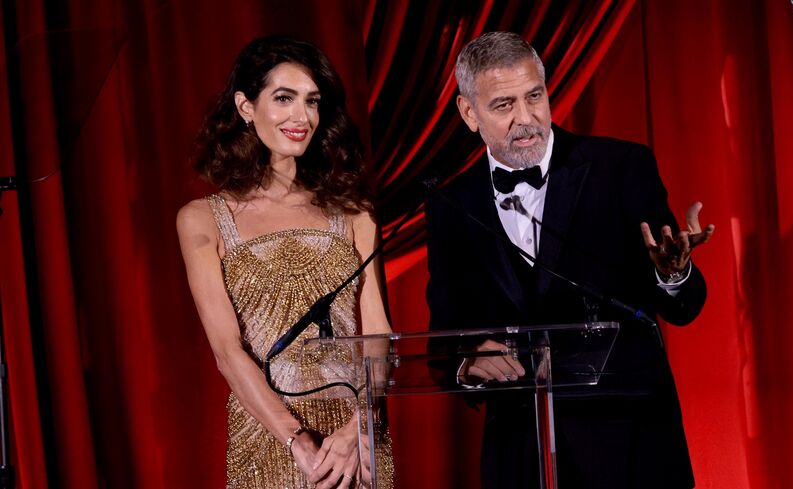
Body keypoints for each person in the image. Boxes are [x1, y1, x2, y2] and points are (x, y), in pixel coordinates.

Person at [425, 32, 715, 489]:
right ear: (468, 113)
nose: (527, 119)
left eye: (534, 96)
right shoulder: (451, 202)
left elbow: (684, 307)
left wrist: (673, 273)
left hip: (629, 446)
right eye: (503, 105)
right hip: (522, 454)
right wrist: (467, 361)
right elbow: (443, 338)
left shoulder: (620, 167)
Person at [177, 36, 393, 488]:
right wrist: (296, 440)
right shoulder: (203, 219)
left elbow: (378, 335)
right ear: (245, 106)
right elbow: (226, 350)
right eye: (283, 98)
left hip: (354, 438)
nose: (302, 116)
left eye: (312, 101)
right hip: (268, 437)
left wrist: (361, 424)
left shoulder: (354, 212)